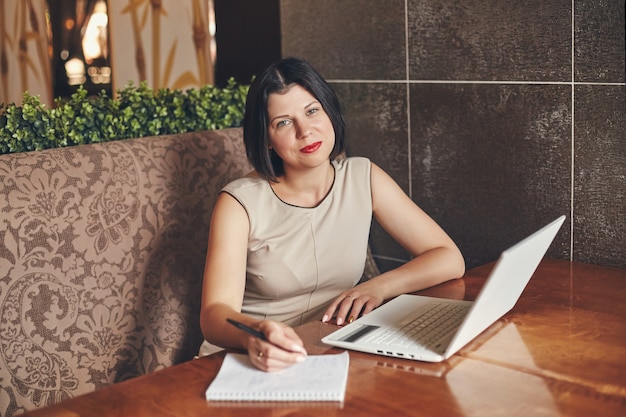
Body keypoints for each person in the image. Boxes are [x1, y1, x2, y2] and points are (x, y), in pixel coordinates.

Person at [199, 57, 465, 372]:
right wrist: (254, 334)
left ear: (329, 112)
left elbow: (449, 258)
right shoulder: (238, 203)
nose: (305, 131)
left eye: (312, 111)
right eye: (283, 122)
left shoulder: (363, 177)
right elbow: (214, 313)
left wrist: (377, 287)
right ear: (267, 139)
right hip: (250, 359)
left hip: (328, 351)